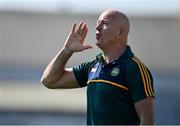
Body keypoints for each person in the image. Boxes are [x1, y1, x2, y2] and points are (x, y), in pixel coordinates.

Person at [41, 9, 155, 125]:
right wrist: (67, 50)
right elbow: (49, 81)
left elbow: (147, 121)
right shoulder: (92, 66)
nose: (97, 27)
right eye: (97, 23)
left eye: (104, 23)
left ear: (120, 32)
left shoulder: (134, 68)